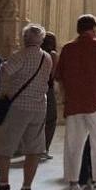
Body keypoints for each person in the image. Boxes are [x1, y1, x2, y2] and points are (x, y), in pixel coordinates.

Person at [0, 24, 53, 190]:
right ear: (41, 40)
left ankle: (3, 183)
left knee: (4, 147)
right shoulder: (47, 58)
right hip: (39, 107)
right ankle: (26, 187)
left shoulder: (20, 56)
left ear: (24, 38)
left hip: (18, 107)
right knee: (34, 149)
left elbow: (3, 72)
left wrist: (5, 88)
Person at [53, 13, 96, 190]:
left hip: (74, 104)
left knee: (73, 145)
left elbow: (60, 79)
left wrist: (66, 99)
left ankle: (73, 187)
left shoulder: (68, 48)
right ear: (94, 28)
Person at [42, 31, 61, 159]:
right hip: (47, 89)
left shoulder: (38, 52)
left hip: (36, 88)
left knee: (38, 120)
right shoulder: (53, 54)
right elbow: (54, 74)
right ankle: (45, 149)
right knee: (51, 119)